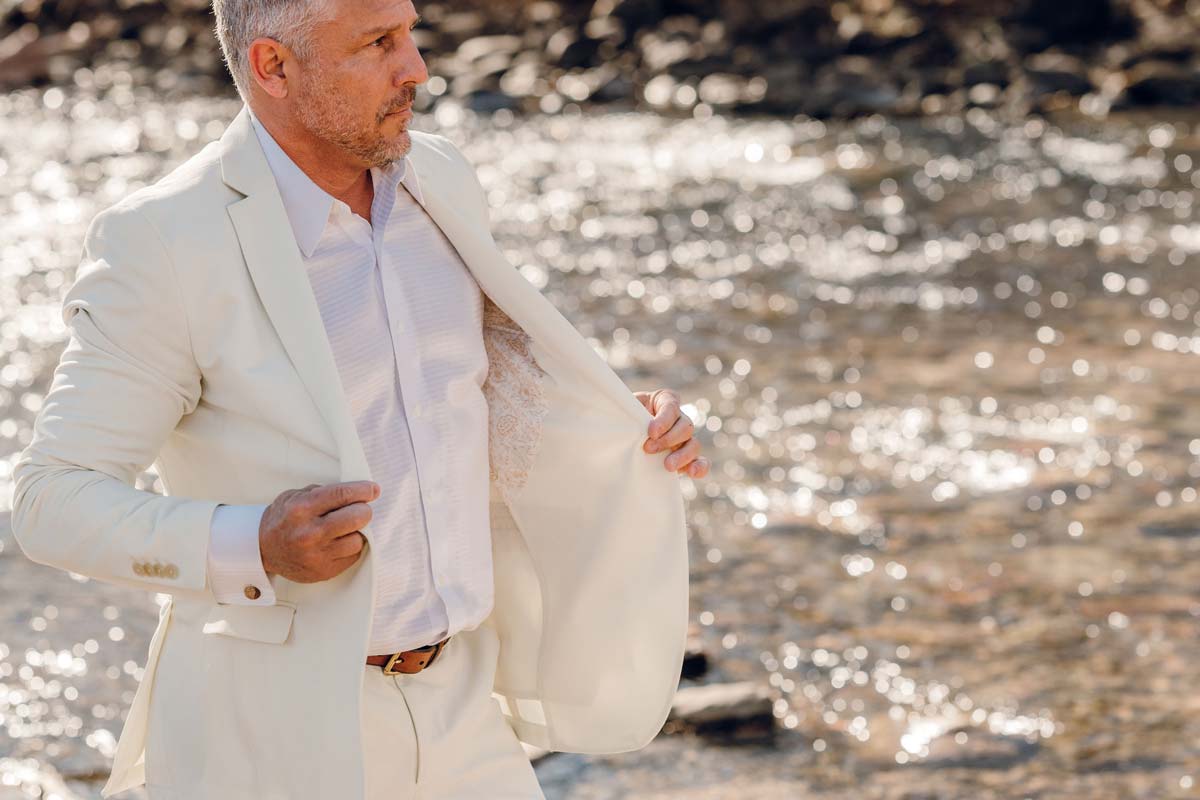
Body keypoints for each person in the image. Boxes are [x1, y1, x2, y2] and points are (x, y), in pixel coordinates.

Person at [9, 0, 709, 798]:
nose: (416, 68)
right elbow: (51, 499)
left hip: (466, 714)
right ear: (274, 66)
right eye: (378, 44)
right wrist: (254, 545)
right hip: (271, 736)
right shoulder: (167, 241)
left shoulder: (439, 178)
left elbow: (469, 398)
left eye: (409, 34)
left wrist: (623, 427)